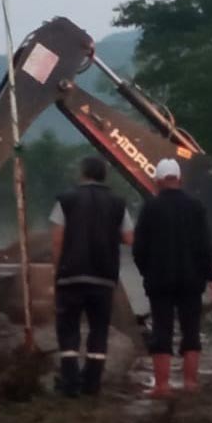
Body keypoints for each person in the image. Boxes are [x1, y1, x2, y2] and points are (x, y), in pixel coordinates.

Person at [132, 158, 212, 398]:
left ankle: (162, 386)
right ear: (179, 179)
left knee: (162, 330)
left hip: (159, 281)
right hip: (192, 281)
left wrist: (146, 271)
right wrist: (211, 277)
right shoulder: (196, 207)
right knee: (191, 330)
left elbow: (139, 248)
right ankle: (190, 383)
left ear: (158, 181)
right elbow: (205, 245)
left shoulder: (150, 208)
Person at [50, 156, 134, 398]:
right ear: (104, 175)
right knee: (99, 330)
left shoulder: (66, 200)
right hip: (103, 277)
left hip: (71, 277)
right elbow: (129, 238)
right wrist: (108, 235)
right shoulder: (118, 203)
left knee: (68, 331)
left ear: (83, 173)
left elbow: (57, 239)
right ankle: (92, 384)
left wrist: (58, 271)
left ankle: (70, 384)